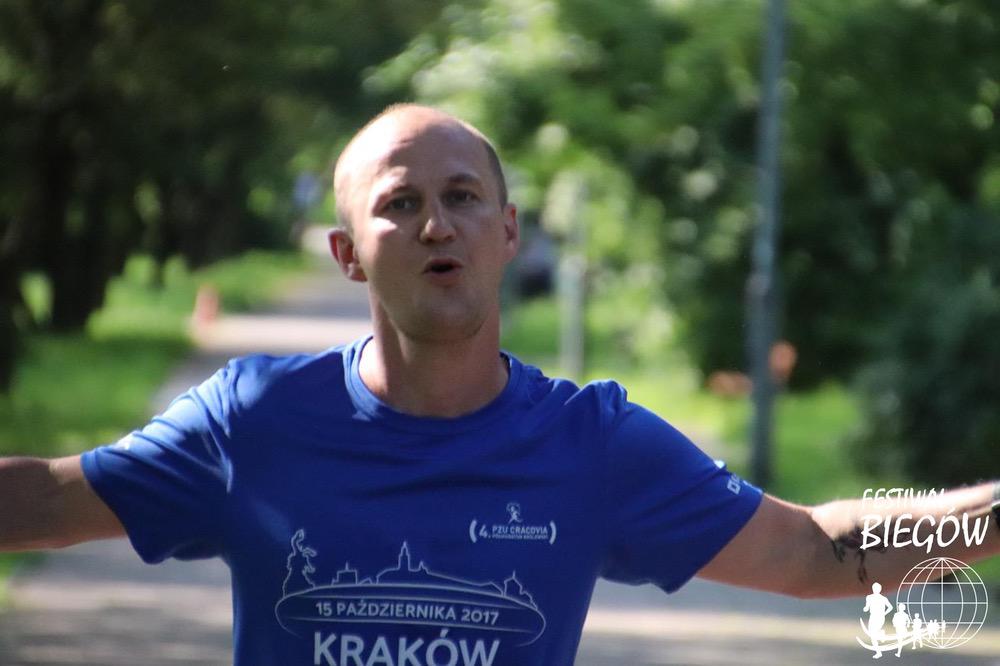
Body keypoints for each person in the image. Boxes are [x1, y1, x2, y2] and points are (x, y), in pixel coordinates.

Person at [1, 104, 999, 665]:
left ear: (508, 232)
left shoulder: (593, 444)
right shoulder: (252, 421)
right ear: (348, 254)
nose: (437, 224)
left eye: (463, 197)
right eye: (400, 205)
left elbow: (816, 552)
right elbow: (45, 499)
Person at [863, 582, 893, 659]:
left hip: (879, 617)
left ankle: (881, 634)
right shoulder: (869, 597)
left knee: (873, 634)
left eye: (877, 588)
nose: (875, 589)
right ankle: (878, 651)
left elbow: (890, 607)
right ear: (872, 589)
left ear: (880, 589)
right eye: (874, 588)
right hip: (872, 616)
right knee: (872, 635)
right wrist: (865, 609)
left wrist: (884, 613)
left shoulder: (883, 598)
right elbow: (867, 607)